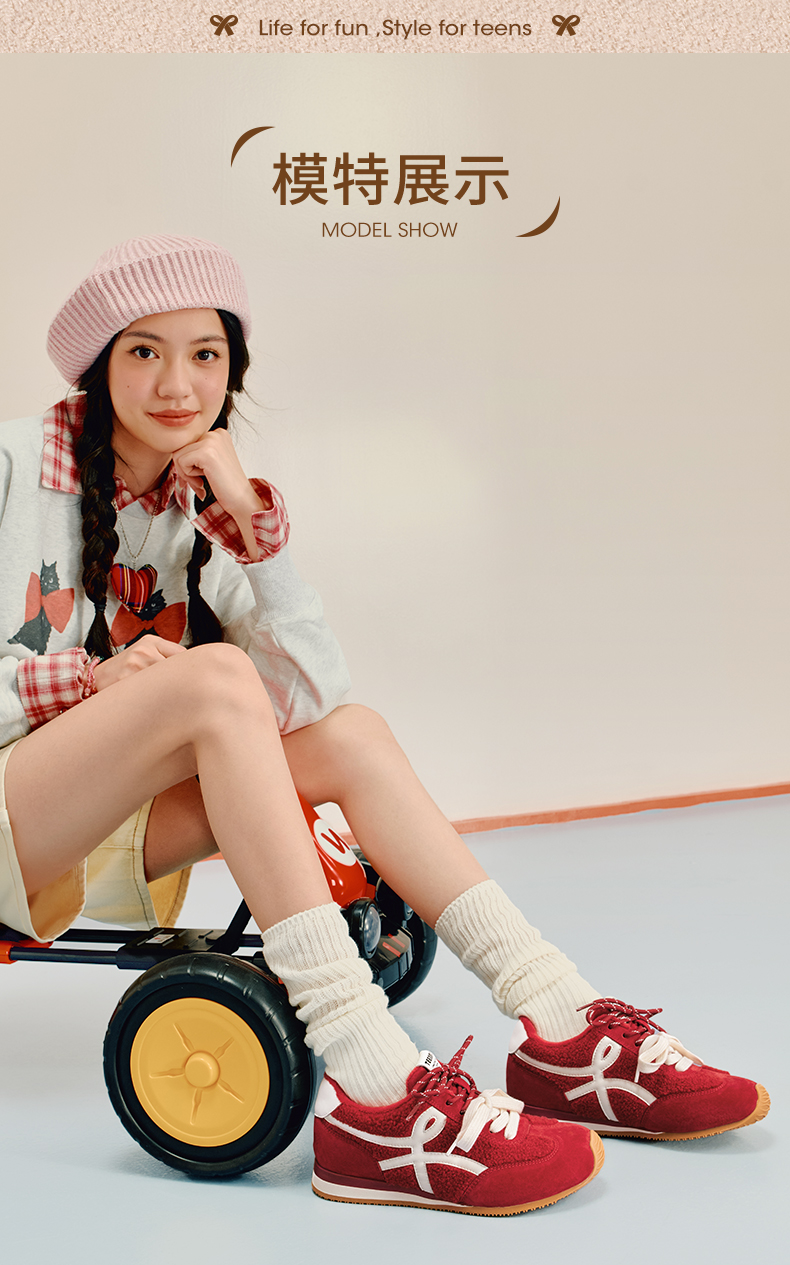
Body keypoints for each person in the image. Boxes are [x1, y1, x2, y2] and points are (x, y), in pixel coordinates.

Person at [0, 236, 768, 1214]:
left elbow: (311, 697)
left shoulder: (193, 507)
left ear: (234, 367)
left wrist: (253, 530)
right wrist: (87, 678)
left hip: (110, 831)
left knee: (351, 733)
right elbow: (206, 689)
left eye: (205, 353)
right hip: (16, 826)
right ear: (99, 363)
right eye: (144, 351)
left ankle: (562, 1020)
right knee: (216, 676)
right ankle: (373, 1088)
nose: (177, 383)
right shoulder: (16, 464)